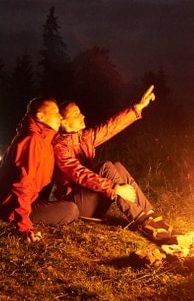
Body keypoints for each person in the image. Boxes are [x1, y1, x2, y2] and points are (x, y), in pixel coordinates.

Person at [52, 85, 176, 243]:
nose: (82, 115)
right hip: (76, 205)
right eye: (76, 114)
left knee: (116, 165)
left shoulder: (83, 137)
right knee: (106, 167)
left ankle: (150, 215)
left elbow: (109, 127)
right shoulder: (59, 147)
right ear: (63, 122)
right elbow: (80, 174)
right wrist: (114, 188)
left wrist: (136, 109)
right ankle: (142, 222)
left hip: (92, 200)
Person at [0, 97, 80, 242]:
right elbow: (21, 185)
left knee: (66, 205)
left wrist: (68, 130)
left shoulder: (43, 137)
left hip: (28, 199)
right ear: (40, 116)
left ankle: (34, 210)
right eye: (55, 112)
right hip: (13, 206)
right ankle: (24, 217)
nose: (60, 116)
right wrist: (24, 227)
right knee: (71, 210)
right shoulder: (31, 140)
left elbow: (60, 144)